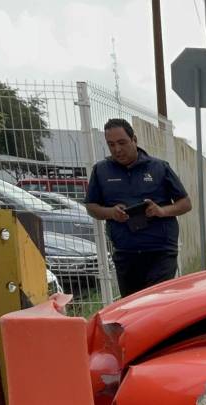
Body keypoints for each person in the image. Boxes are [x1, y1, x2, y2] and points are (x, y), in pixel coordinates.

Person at [84, 118, 192, 296]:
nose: (117, 149)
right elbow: (91, 206)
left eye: (122, 143)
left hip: (161, 252)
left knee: (157, 304)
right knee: (134, 310)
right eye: (111, 144)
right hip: (126, 254)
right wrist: (111, 213)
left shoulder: (159, 168)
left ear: (134, 140)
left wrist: (161, 211)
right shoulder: (101, 171)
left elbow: (185, 204)